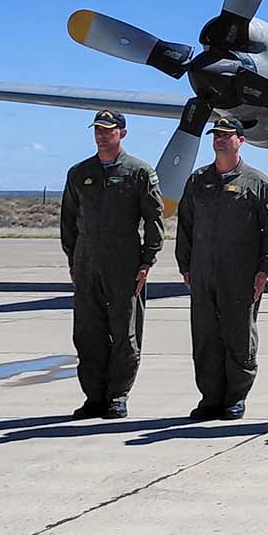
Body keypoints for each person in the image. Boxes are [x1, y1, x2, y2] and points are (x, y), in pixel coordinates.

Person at [176, 114, 268, 421]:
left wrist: (265, 269)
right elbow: (186, 225)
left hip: (241, 274)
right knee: (206, 337)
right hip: (203, 273)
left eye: (226, 134)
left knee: (238, 336)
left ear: (241, 140)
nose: (220, 139)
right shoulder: (198, 180)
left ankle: (236, 397)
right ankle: (210, 397)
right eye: (216, 134)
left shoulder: (257, 182)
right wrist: (185, 266)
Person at [60, 109, 164, 419]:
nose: (102, 134)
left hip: (124, 263)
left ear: (122, 133)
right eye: (98, 129)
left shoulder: (139, 172)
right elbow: (68, 221)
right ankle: (94, 396)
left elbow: (153, 220)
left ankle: (118, 394)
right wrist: (73, 258)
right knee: (87, 332)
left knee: (125, 331)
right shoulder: (79, 173)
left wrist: (147, 260)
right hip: (87, 262)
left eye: (108, 129)